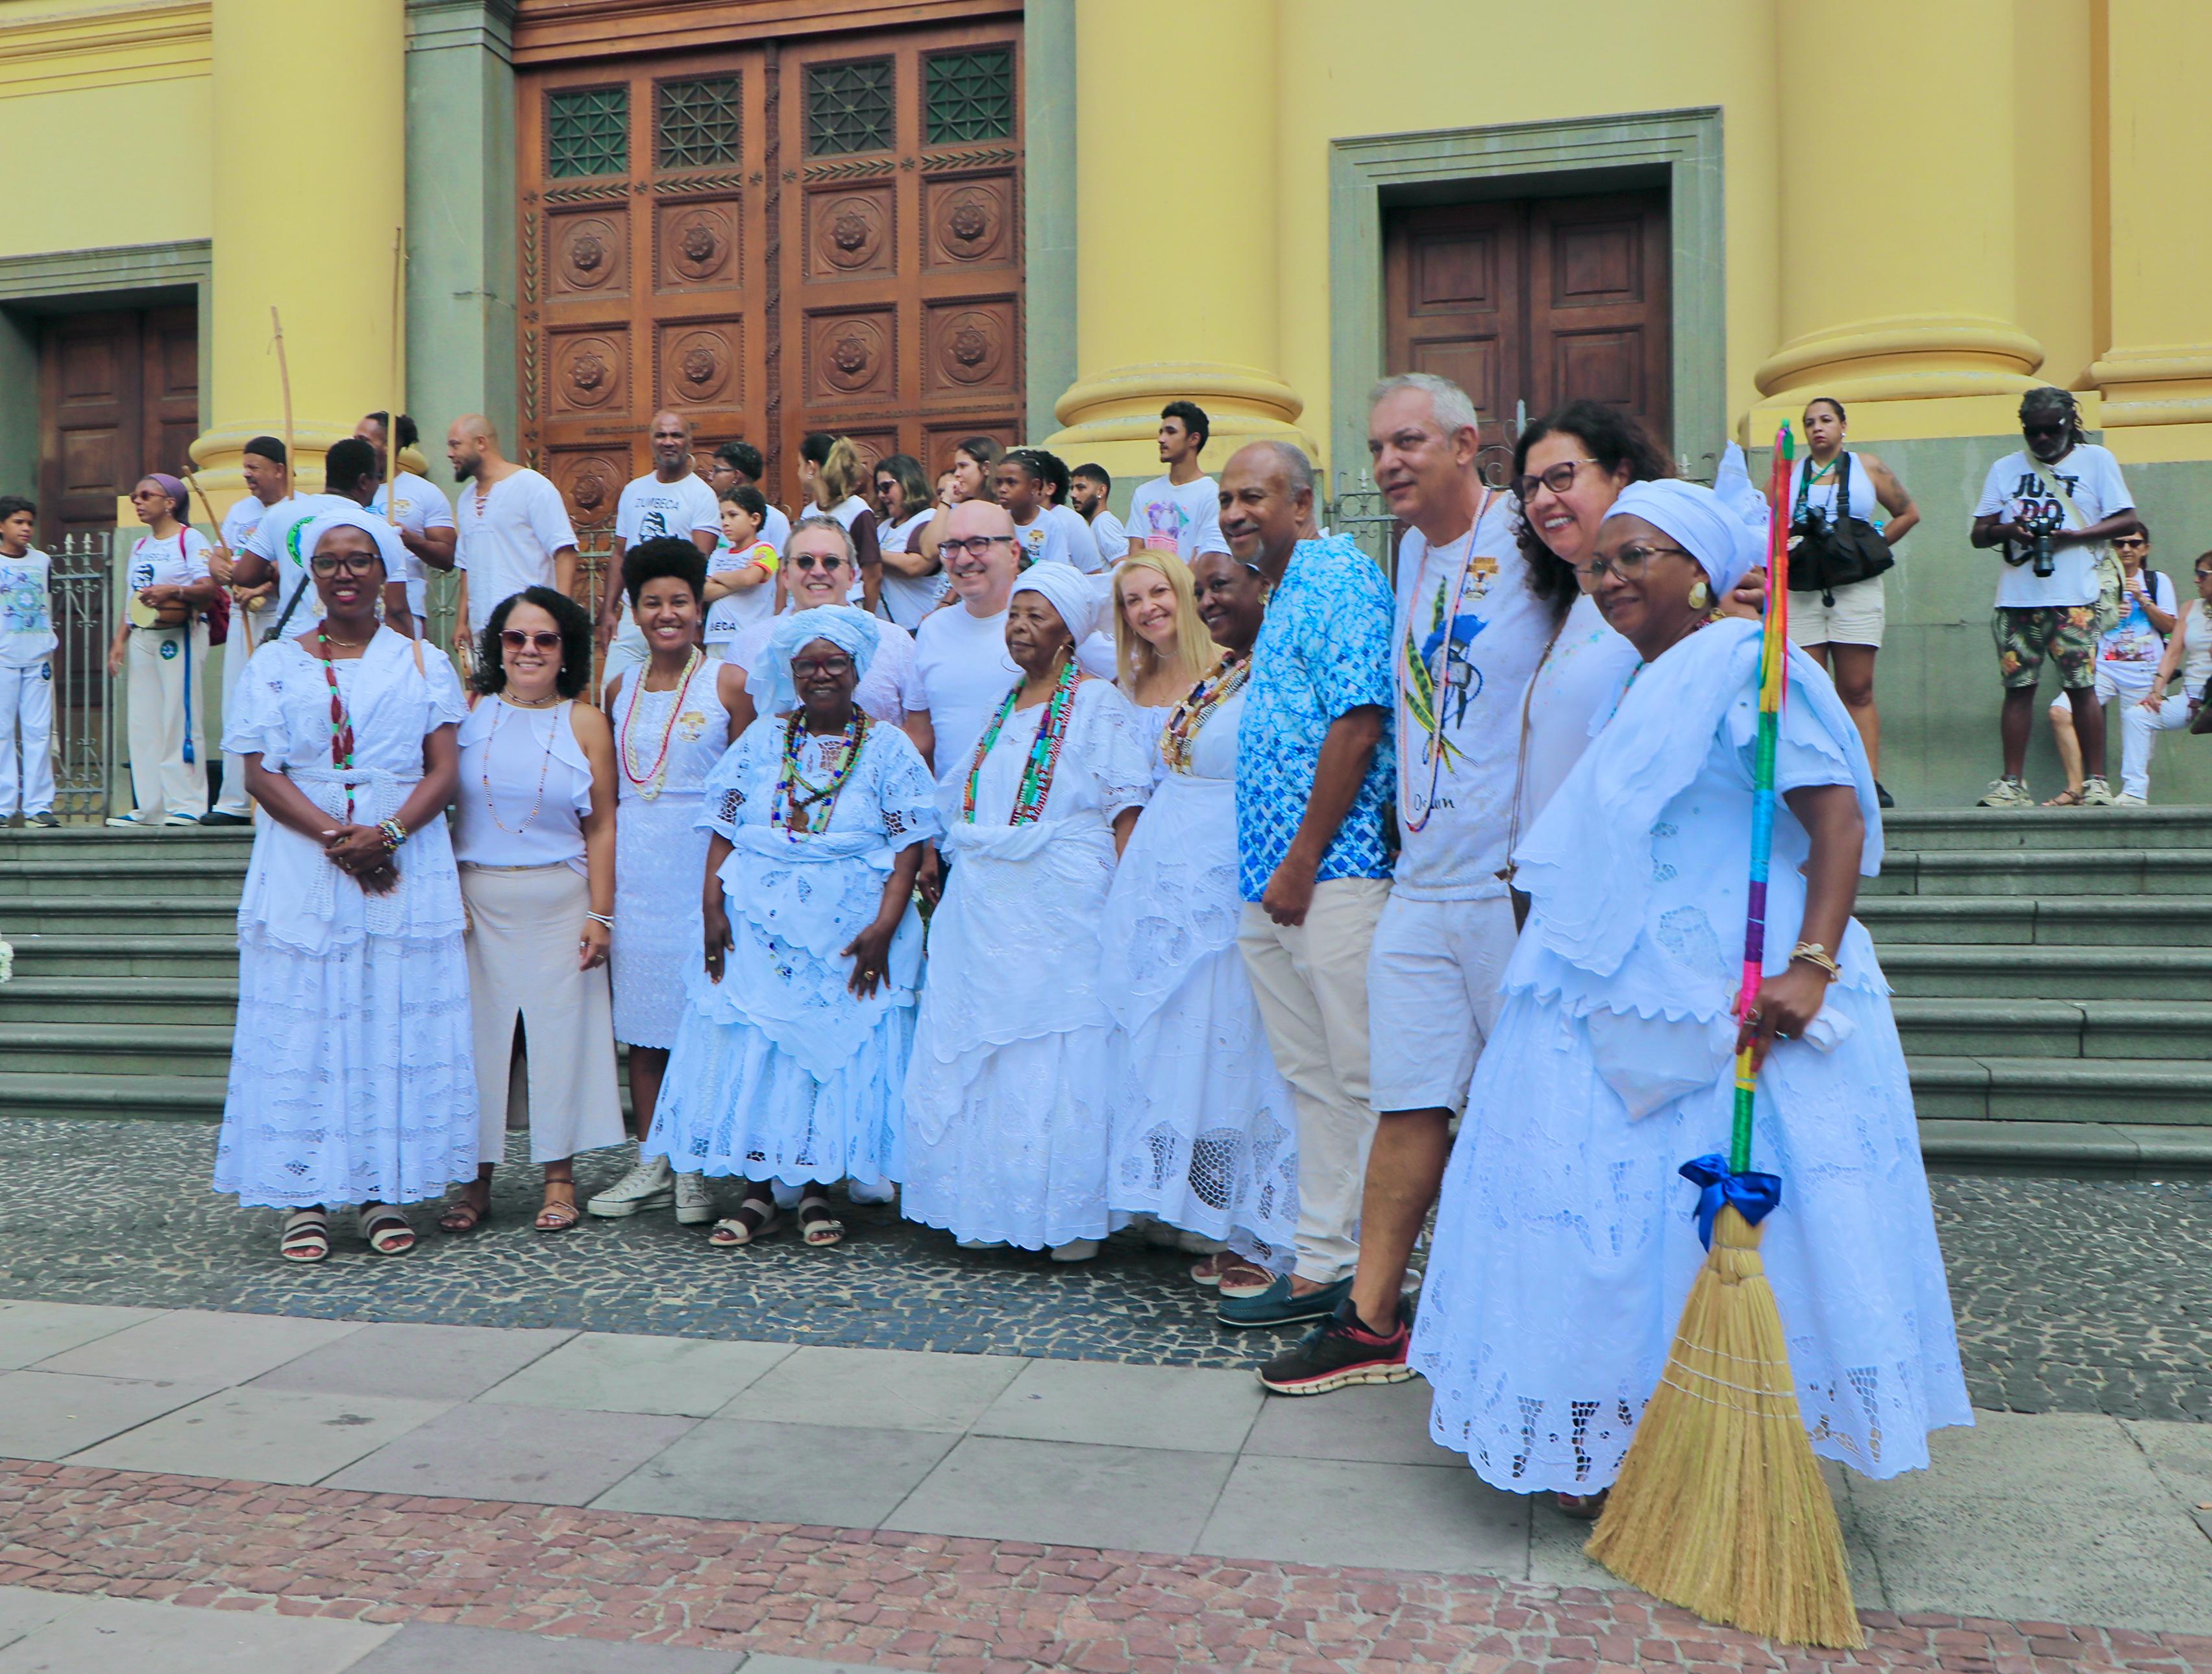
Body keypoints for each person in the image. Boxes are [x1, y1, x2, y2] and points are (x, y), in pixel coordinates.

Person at [1410, 476, 1971, 1512]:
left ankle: (1739, 1438)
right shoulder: (1644, 679)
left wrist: (1812, 962)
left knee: (1713, 1222)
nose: (1612, 575)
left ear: (1702, 572)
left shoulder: (1752, 664)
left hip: (1731, 991)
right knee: (1606, 1216)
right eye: (1601, 562)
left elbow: (1836, 820)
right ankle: (1615, 1431)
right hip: (1619, 986)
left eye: (1638, 556)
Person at [212, 508, 474, 1261]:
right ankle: (303, 1194)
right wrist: (340, 837)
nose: (344, 573)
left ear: (384, 568)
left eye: (359, 559)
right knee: (307, 1020)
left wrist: (387, 835)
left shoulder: (424, 663)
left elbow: (445, 767)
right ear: (310, 574)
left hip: (404, 852)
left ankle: (381, 1188)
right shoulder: (273, 664)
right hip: (306, 857)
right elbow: (259, 771)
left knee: (387, 1017)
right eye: (328, 562)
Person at [647, 606, 939, 1248]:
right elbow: (724, 827)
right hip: (755, 919)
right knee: (758, 1045)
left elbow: (910, 843)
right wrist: (712, 910)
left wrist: (886, 928)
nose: (821, 674)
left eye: (834, 661)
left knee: (824, 1054)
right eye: (807, 664)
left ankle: (813, 1186)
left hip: (851, 925)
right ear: (792, 672)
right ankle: (757, 1192)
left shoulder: (887, 744)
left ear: (858, 668)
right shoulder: (761, 738)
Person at [902, 563, 1153, 1259]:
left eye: (1036, 617)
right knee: (988, 1046)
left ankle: (1066, 1214)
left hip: (1064, 902)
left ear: (1070, 635)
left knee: (1058, 1043)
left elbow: (1125, 809)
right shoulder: (1004, 704)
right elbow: (964, 802)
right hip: (987, 905)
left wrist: (1126, 904)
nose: (1018, 627)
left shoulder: (1100, 704)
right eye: (1014, 614)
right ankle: (988, 1202)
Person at [1218, 440, 1394, 1329]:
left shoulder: (1339, 576)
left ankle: (1376, 1274)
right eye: (1226, 499)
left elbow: (1360, 724)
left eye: (1253, 495)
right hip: (1270, 880)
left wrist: (1302, 860)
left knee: (1361, 1077)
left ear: (1302, 501)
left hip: (1333, 874)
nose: (1235, 512)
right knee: (1313, 1080)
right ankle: (1325, 1261)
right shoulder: (1283, 587)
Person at [1103, 548, 1300, 1294]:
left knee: (1251, 1052)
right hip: (1176, 889)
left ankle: (1277, 1234)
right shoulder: (1220, 678)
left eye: (1174, 590)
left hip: (1227, 887)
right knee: (1205, 1055)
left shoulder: (1264, 671)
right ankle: (1228, 1218)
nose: (1155, 606)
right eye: (1134, 598)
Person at [442, 586, 624, 1235]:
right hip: (477, 905)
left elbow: (603, 824)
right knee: (477, 1045)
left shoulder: (585, 721)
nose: (529, 650)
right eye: (517, 637)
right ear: (498, 644)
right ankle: (474, 1178)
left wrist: (601, 914)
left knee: (559, 1038)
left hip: (561, 901)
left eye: (545, 638)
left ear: (566, 647)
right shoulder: (467, 713)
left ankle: (559, 1176)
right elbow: (441, 808)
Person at [586, 539, 747, 1224]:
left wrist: (726, 885)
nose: (667, 613)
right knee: (644, 1027)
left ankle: (697, 1163)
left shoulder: (730, 683)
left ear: (699, 607)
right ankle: (651, 1155)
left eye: (679, 600)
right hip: (637, 871)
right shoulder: (617, 689)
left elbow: (745, 791)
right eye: (652, 602)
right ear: (634, 612)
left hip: (702, 865)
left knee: (700, 1020)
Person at [1971, 387, 2139, 809]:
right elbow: (1978, 533)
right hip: (2017, 598)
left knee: (2081, 687)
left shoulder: (2096, 460)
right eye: (2033, 432)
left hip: (2074, 597)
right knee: (2017, 689)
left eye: (2051, 430)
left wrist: (2072, 538)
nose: (2042, 439)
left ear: (2069, 423)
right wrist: (2010, 531)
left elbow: (2127, 519)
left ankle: (2097, 781)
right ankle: (2012, 783)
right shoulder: (2005, 468)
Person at [909, 499, 1116, 796]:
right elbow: (921, 735)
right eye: (952, 546)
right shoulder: (932, 630)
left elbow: (1123, 689)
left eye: (979, 543)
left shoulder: (1054, 622)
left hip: (1036, 822)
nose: (964, 558)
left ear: (1014, 552)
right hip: (955, 830)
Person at [1783, 397, 1917, 807]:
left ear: (1844, 426)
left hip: (1855, 588)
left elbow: (1907, 513)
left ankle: (1868, 780)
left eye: (1826, 420)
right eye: (1809, 423)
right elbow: (1769, 526)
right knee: (1809, 688)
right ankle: (1817, 778)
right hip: (1803, 588)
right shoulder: (1788, 476)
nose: (1817, 428)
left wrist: (1869, 550)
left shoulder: (1867, 466)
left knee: (1857, 688)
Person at [724, 517, 927, 742]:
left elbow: (919, 734)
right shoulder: (747, 645)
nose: (818, 571)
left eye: (831, 562)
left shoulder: (895, 642)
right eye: (805, 561)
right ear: (785, 576)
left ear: (852, 576)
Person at [104, 473, 221, 828]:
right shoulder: (140, 547)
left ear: (169, 502)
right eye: (134, 496)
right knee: (143, 721)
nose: (137, 502)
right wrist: (119, 641)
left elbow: (208, 588)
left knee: (178, 716)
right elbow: (131, 599)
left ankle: (186, 803)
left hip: (179, 635)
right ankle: (149, 807)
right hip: (143, 635)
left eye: (145, 495)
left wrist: (173, 591)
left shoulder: (190, 539)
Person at [2049, 523, 2178, 805]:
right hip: (2102, 669)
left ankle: (2131, 797)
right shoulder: (2097, 580)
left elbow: (2171, 627)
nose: (2126, 549)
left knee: (2139, 742)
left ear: (2146, 549)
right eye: (2120, 543)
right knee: (2060, 711)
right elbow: (2079, 625)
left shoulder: (2157, 581)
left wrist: (2143, 600)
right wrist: (2106, 615)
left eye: (2134, 543)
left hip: (2146, 671)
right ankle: (2076, 787)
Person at [204, 436, 289, 824]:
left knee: (277, 705)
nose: (247, 475)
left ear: (279, 470)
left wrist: (264, 582)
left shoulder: (295, 511)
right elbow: (222, 554)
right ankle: (235, 799)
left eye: (255, 467)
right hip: (242, 619)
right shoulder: (241, 511)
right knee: (238, 702)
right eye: (246, 467)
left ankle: (277, 797)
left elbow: (297, 566)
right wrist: (219, 569)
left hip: (280, 621)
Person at [597, 410, 722, 674]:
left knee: (671, 696)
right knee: (615, 694)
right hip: (634, 615)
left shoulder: (701, 496)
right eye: (661, 435)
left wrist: (695, 619)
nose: (668, 441)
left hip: (675, 615)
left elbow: (699, 563)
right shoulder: (633, 491)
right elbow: (620, 554)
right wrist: (609, 610)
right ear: (652, 441)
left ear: (689, 442)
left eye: (676, 435)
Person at [447, 415, 580, 654]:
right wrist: (461, 623)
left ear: (481, 443)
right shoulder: (466, 499)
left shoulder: (532, 486)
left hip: (529, 631)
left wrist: (562, 615)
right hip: (482, 634)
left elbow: (564, 551)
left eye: (455, 444)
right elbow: (466, 566)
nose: (449, 453)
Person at [359, 410, 458, 640]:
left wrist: (411, 540)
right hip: (354, 606)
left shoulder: (424, 492)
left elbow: (447, 558)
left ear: (388, 445)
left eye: (364, 440)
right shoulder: (351, 490)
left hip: (405, 606)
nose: (356, 446)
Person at [2133, 550, 2212, 800]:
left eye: (2202, 574)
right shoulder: (2191, 608)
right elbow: (2172, 653)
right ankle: (2133, 793)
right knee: (2137, 716)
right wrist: (2156, 690)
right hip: (2193, 699)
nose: (2196, 580)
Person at [1112, 550, 1214, 743]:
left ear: (1185, 592)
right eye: (1134, 601)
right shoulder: (1130, 682)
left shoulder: (1227, 670)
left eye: (1159, 591)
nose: (1148, 608)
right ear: (1126, 616)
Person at [0, 496, 56, 828]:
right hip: (3, 657)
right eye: (19, 522)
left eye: (30, 523)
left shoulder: (42, 561)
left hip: (38, 658)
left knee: (38, 732)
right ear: (2, 526)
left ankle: (39, 805)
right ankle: (4, 805)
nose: (26, 529)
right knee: (3, 732)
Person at [1126, 401, 1228, 563]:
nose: (1161, 439)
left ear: (1193, 439)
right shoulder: (1144, 492)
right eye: (1161, 432)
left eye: (1171, 432)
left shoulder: (1212, 495)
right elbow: (1135, 552)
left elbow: (1201, 559)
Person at [797, 433, 883, 615]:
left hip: (847, 606)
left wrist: (867, 617)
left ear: (811, 467)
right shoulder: (809, 513)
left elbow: (873, 574)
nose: (798, 473)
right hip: (812, 605)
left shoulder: (857, 511)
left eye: (800, 465)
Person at [704, 484, 780, 654]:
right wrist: (737, 579)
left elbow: (749, 579)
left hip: (750, 636)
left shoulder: (765, 550)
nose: (725, 523)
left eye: (733, 515)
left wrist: (717, 576)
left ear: (754, 519)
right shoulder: (718, 554)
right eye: (723, 517)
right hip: (716, 637)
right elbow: (704, 592)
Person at [874, 451, 945, 628]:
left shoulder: (929, 520)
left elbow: (914, 566)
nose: (881, 495)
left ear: (908, 483)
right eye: (878, 490)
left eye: (886, 487)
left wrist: (869, 551)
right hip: (888, 631)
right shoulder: (882, 527)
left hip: (918, 628)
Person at [913, 435, 1003, 571]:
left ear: (986, 468)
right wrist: (946, 501)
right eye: (956, 467)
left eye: (963, 466)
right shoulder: (955, 510)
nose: (957, 474)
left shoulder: (1004, 511)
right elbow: (929, 552)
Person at [995, 450, 1087, 572]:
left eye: (1011, 482)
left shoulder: (1051, 524)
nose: (1003, 489)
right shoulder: (994, 519)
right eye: (999, 483)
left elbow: (1057, 572)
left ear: (1035, 486)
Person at [706, 440, 792, 554]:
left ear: (736, 476)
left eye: (717, 470)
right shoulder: (707, 512)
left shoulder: (775, 519)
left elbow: (782, 567)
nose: (710, 477)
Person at [1071, 462, 1127, 572]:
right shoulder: (1097, 524)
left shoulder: (1104, 523)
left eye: (1080, 488)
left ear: (1101, 491)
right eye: (1072, 488)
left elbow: (1124, 569)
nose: (1073, 495)